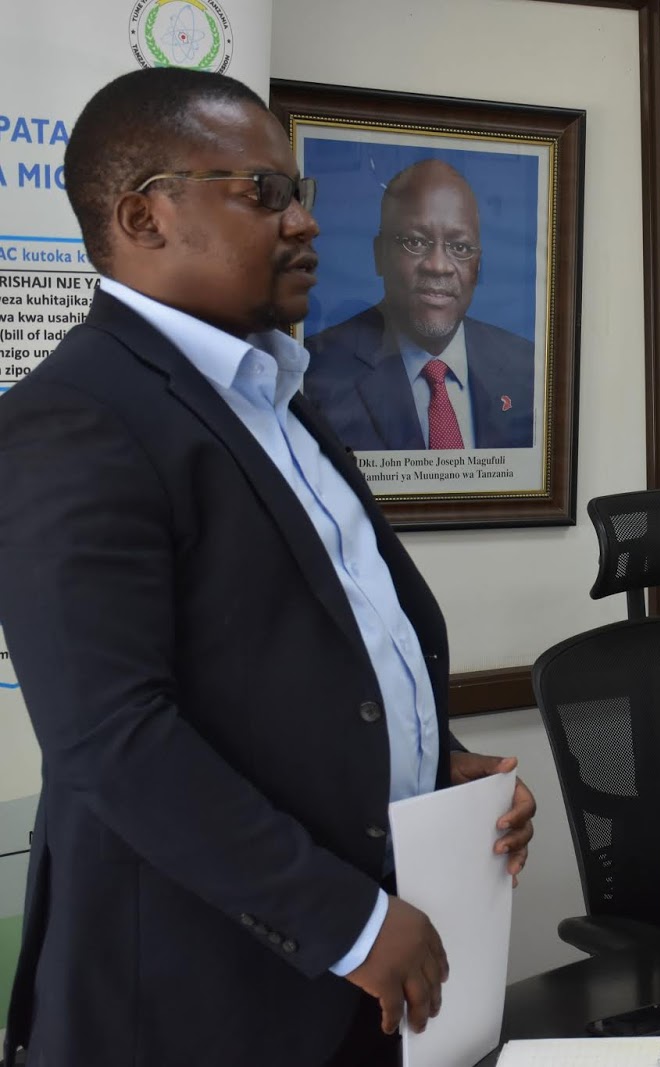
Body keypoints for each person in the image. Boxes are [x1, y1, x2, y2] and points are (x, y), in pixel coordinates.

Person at [0, 69, 535, 1067]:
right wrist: (352, 923)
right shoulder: (74, 417)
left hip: (356, 987)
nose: (304, 222)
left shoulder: (281, 392)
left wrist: (435, 764)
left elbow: (316, 651)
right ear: (143, 216)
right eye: (264, 192)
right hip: (201, 1002)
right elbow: (114, 738)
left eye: (300, 192)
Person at [303, 159, 536, 451]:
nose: (438, 266)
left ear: (478, 266)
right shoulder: (316, 374)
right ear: (379, 255)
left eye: (460, 247)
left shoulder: (526, 369)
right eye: (415, 242)